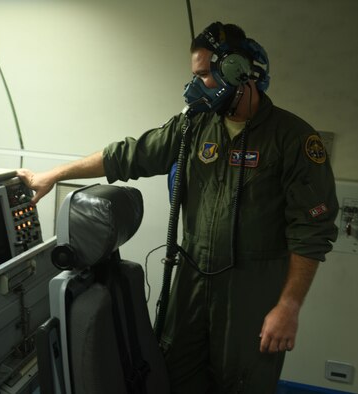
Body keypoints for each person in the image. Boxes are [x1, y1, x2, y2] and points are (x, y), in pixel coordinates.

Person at [18, 22, 338, 394]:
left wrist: (289, 307)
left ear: (235, 70)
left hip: (251, 293)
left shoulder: (294, 139)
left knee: (244, 382)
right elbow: (130, 155)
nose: (196, 85)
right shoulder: (194, 126)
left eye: (203, 74)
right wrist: (56, 174)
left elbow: (311, 234)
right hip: (191, 284)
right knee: (174, 375)